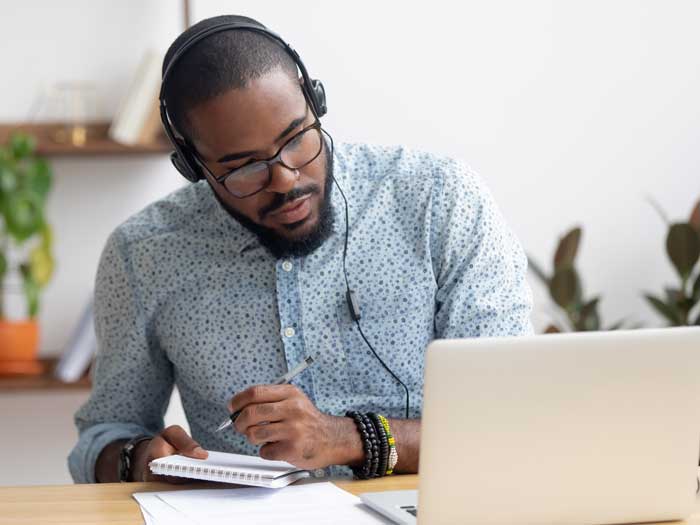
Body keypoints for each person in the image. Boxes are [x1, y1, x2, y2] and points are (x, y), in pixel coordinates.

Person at [68, 14, 532, 484]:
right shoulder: (143, 254)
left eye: (296, 139)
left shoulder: (440, 201)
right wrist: (139, 459)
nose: (286, 179)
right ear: (193, 166)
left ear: (317, 103)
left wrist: (346, 438)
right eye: (244, 167)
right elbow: (102, 436)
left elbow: (510, 422)